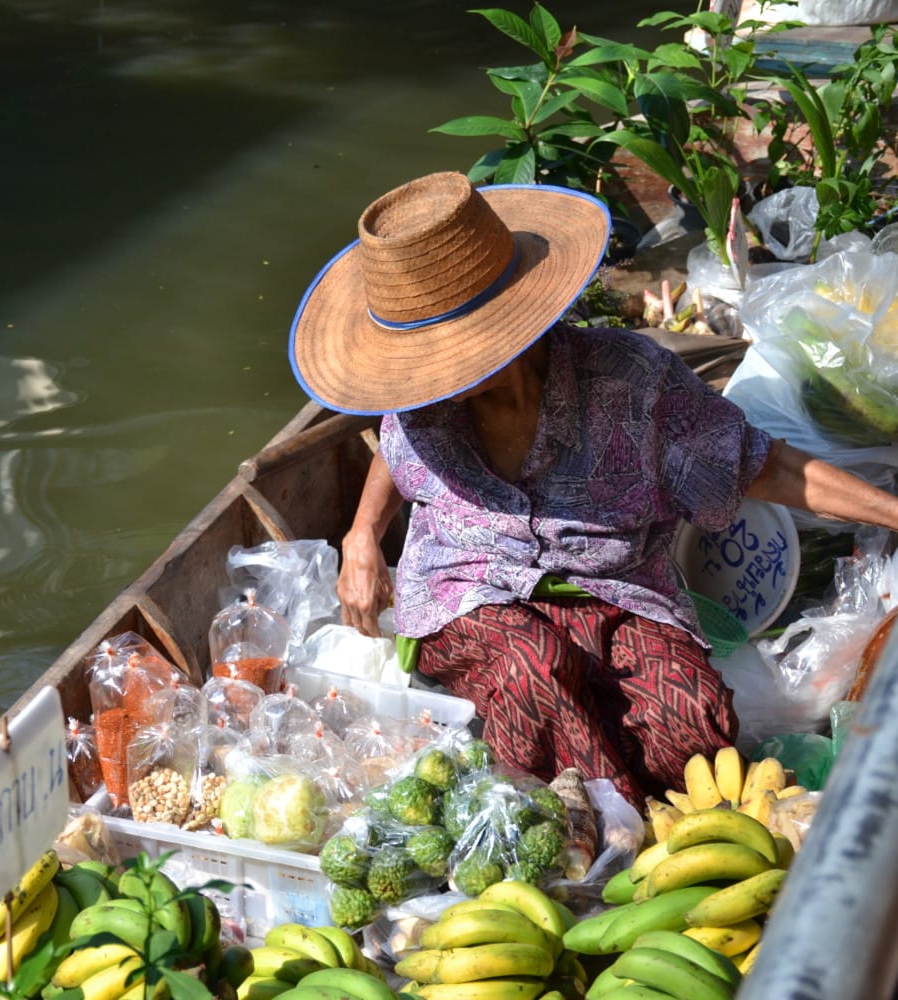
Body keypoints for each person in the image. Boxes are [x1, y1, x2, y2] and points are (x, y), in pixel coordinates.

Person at [286, 171, 898, 808]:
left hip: (615, 584)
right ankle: (611, 833)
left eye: (446, 357)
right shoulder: (419, 401)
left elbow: (761, 466)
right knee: (536, 670)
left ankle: (615, 800)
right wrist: (362, 534)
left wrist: (891, 511)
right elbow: (396, 442)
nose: (424, 381)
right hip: (467, 587)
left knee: (691, 725)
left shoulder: (633, 382)